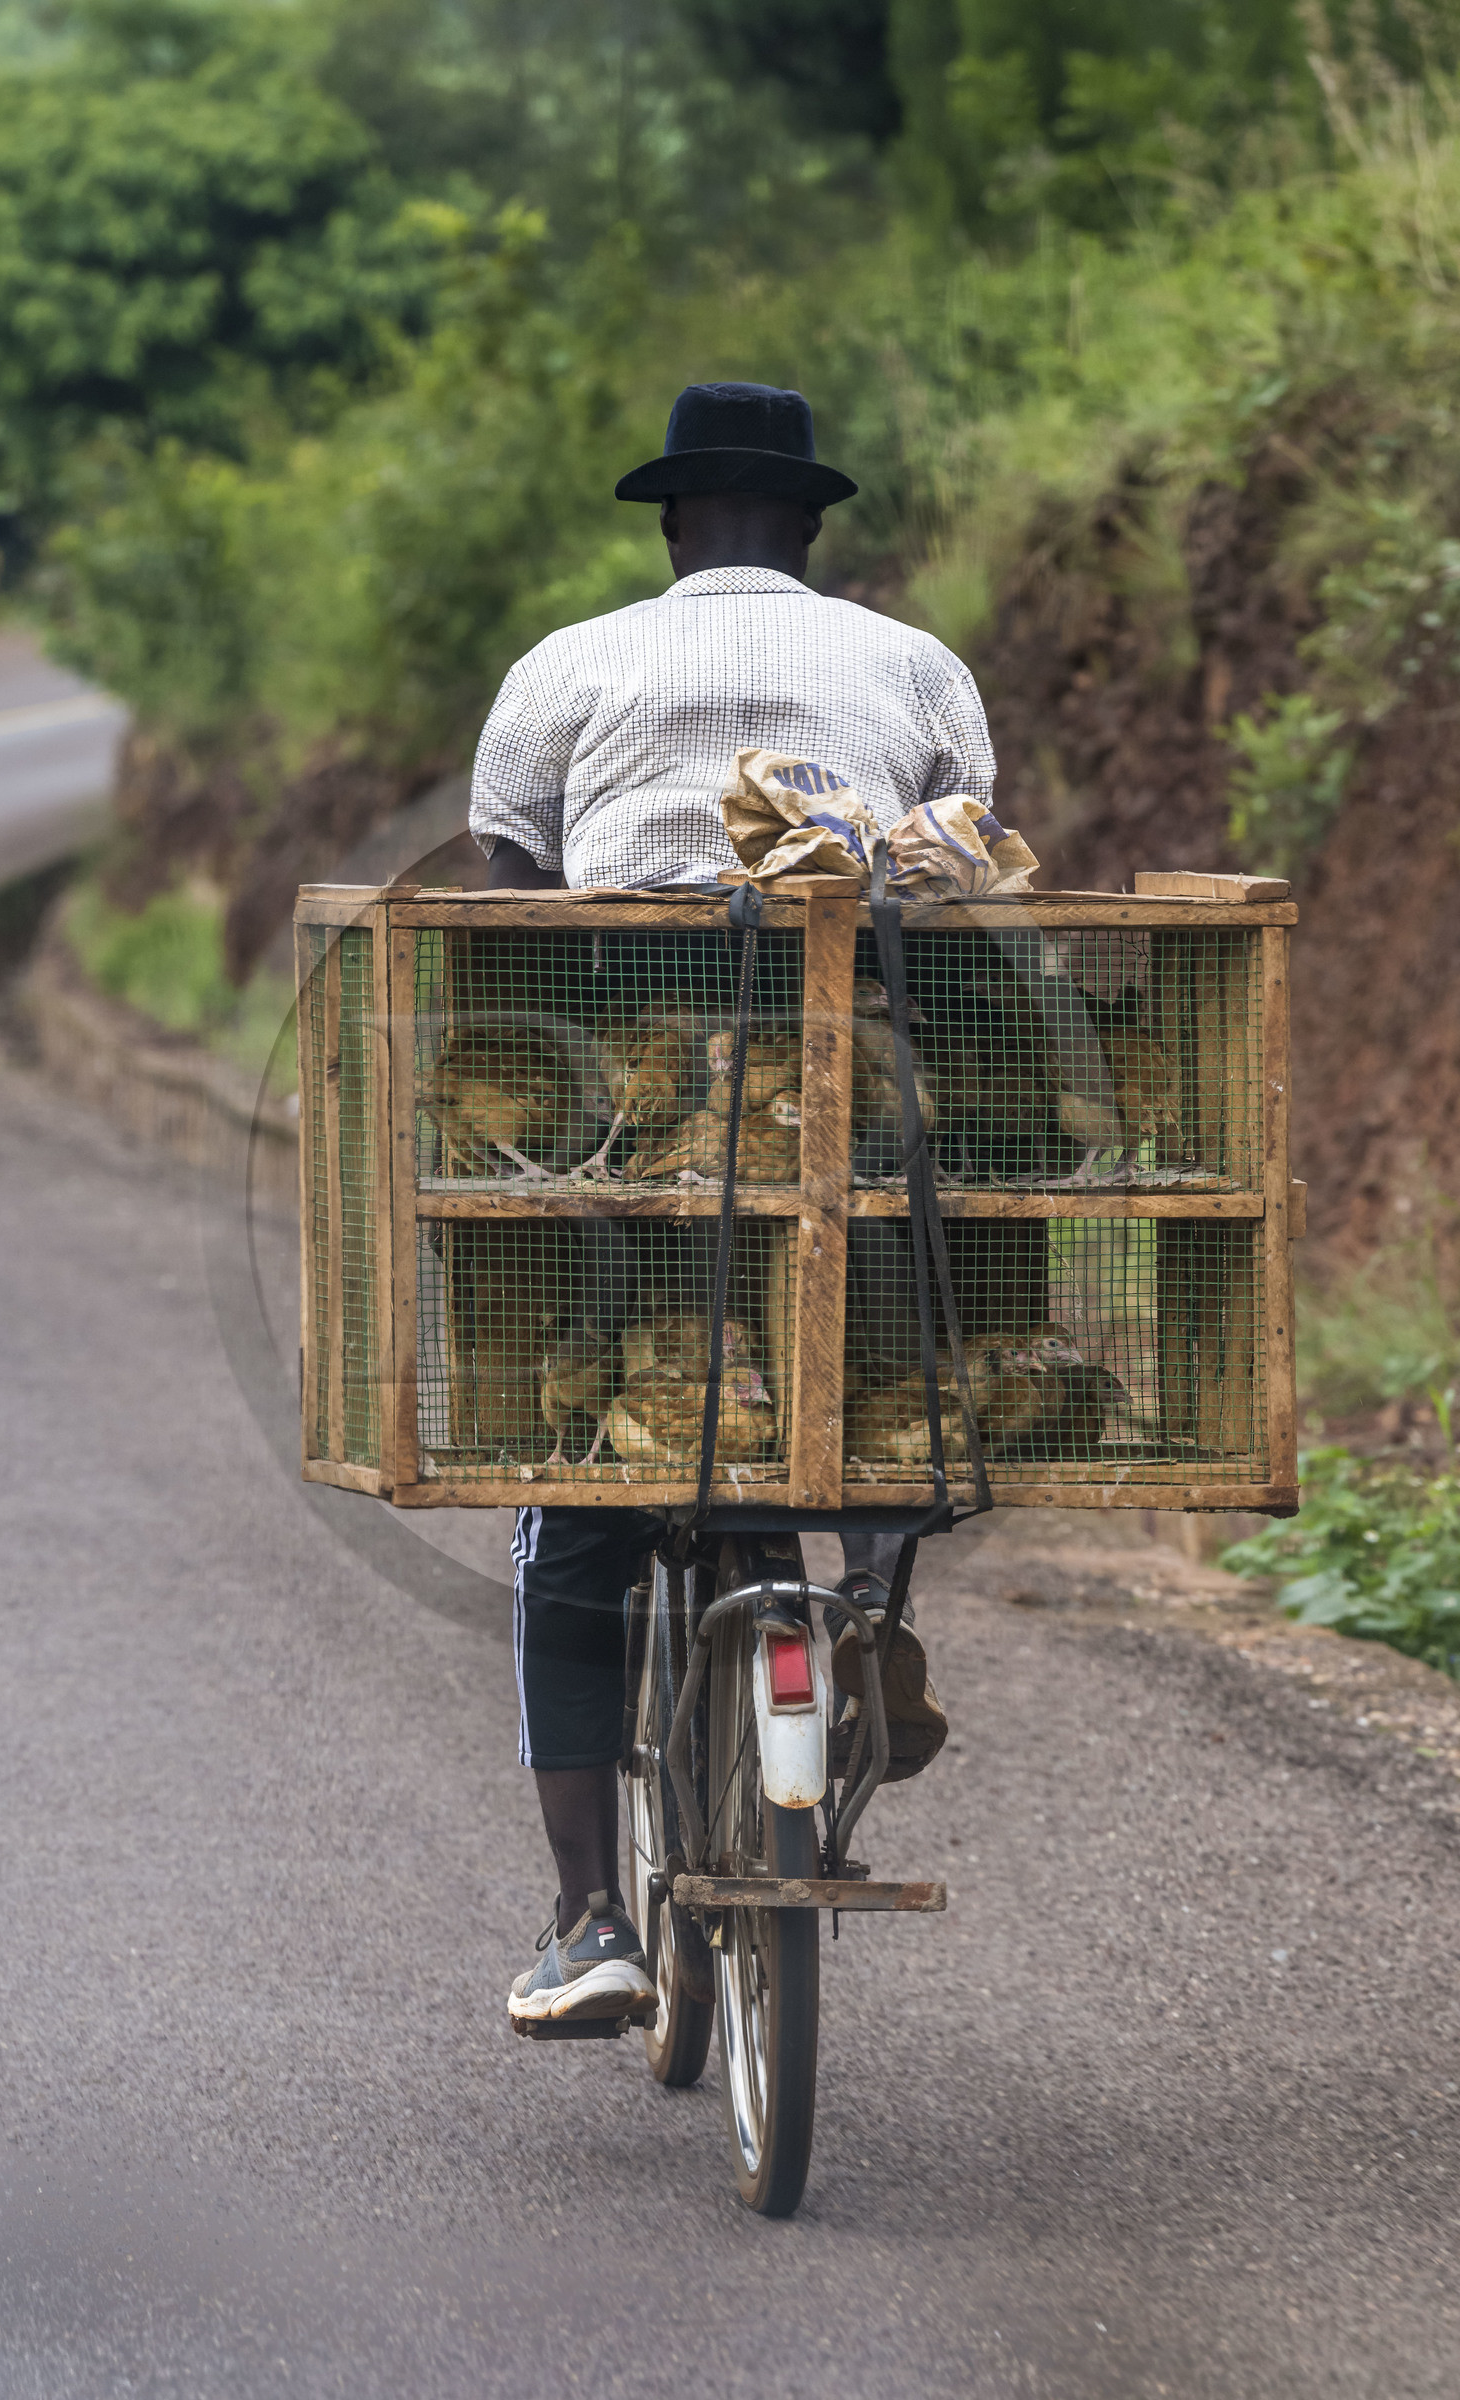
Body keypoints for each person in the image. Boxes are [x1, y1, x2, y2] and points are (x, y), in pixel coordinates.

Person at [469, 382, 997, 2027]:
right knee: (839, 1413)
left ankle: (584, 1923)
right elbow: (968, 857)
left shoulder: (571, 663)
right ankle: (854, 1617)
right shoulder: (912, 665)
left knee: (575, 1531)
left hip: (639, 1159)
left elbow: (506, 888)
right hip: (864, 1136)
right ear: (815, 533)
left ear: (676, 527)